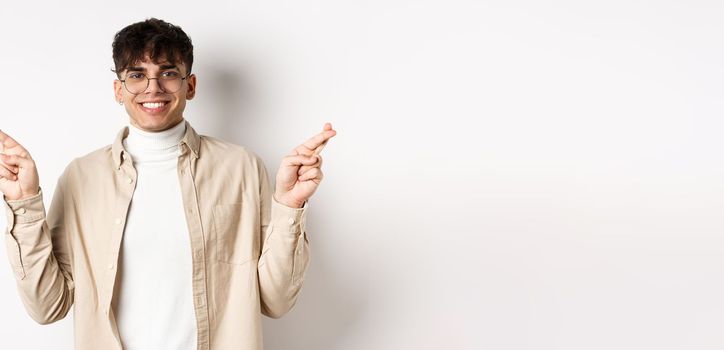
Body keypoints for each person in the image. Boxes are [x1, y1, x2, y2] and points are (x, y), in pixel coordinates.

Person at [0, 18, 336, 350]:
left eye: (168, 73)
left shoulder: (241, 167)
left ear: (190, 85)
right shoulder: (81, 177)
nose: (153, 87)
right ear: (119, 90)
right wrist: (24, 203)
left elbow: (276, 301)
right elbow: (48, 307)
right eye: (137, 75)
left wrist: (289, 206)